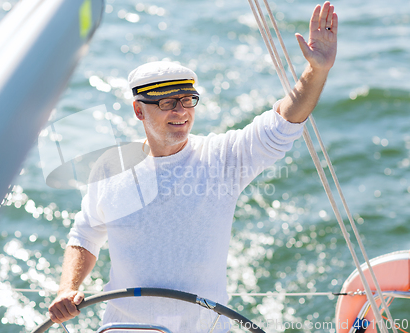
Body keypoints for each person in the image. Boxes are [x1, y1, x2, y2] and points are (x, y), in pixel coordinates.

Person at [49, 1, 337, 332]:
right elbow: (86, 232)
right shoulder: (111, 167)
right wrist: (67, 288)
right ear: (139, 111)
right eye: (168, 103)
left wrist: (317, 70)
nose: (181, 111)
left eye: (188, 100)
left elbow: (283, 122)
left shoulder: (222, 159)